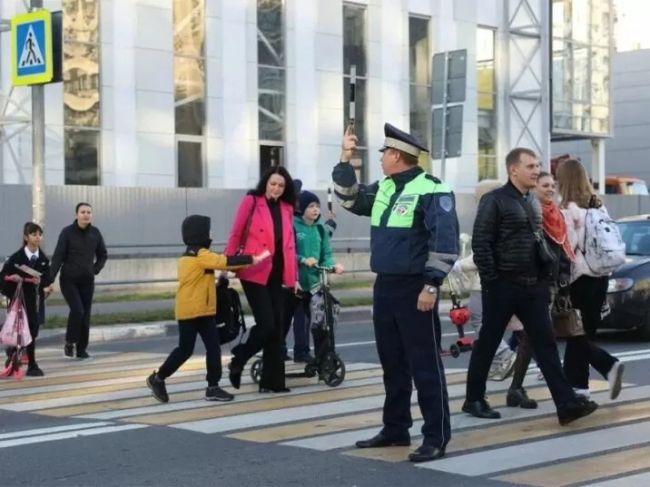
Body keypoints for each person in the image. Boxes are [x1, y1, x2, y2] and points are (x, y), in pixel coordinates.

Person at [333, 123, 458, 463]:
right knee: (392, 363)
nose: (381, 159)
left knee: (425, 364)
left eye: (384, 153)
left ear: (397, 155)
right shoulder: (384, 188)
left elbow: (444, 243)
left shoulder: (432, 189)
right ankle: (395, 427)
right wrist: (345, 158)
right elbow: (349, 199)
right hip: (385, 285)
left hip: (416, 286)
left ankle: (436, 436)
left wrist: (431, 284)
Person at [463, 147, 598, 426]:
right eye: (531, 166)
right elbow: (481, 243)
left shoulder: (532, 201)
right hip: (502, 286)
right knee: (488, 343)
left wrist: (544, 279)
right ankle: (474, 398)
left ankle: (566, 404)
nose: (536, 170)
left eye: (537, 166)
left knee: (546, 345)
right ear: (514, 169)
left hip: (532, 287)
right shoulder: (494, 200)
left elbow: (540, 241)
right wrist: (493, 281)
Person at [146, 215, 267, 403]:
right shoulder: (198, 254)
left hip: (203, 310)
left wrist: (220, 282)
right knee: (185, 350)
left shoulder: (195, 255)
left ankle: (213, 387)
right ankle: (158, 378)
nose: (211, 234)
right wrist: (254, 258)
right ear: (199, 233)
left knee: (212, 347)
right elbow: (222, 261)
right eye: (208, 230)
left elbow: (203, 277)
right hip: (191, 311)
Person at [555, 159, 624, 400]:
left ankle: (607, 364)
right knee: (585, 332)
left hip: (578, 280)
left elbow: (566, 249)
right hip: (600, 278)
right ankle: (579, 388)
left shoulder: (566, 212)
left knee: (575, 333)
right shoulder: (598, 208)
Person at [225, 166, 298, 393]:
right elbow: (236, 232)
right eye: (273, 183)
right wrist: (227, 264)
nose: (276, 188)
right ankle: (240, 357)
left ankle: (273, 382)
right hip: (254, 271)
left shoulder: (287, 208)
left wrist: (293, 277)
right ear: (265, 183)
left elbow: (289, 245)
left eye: (281, 185)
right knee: (266, 324)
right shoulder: (252, 201)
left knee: (276, 328)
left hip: (277, 274)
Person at [449, 179, 518, 382]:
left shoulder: (491, 218)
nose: (476, 202)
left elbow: (482, 252)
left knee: (481, 321)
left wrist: (459, 266)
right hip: (509, 281)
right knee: (521, 329)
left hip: (485, 283)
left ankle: (503, 355)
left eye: (478, 198)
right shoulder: (512, 215)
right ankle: (500, 365)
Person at [50, 202, 107, 359]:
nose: (86, 214)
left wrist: (95, 269)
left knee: (85, 314)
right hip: (69, 280)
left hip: (87, 281)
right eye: (83, 212)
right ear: (76, 215)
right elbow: (58, 257)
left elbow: (103, 254)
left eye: (89, 212)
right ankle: (70, 341)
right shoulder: (67, 232)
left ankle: (81, 350)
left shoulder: (95, 233)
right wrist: (50, 279)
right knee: (78, 310)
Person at [293, 190, 344, 363]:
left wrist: (333, 265)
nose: (315, 210)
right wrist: (302, 259)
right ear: (301, 208)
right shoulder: (293, 226)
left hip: (315, 283)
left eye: (317, 206)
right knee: (295, 322)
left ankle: (324, 358)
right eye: (311, 206)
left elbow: (326, 254)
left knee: (321, 321)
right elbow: (286, 253)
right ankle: (295, 353)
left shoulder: (320, 228)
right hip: (295, 284)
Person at [1, 222, 54, 376]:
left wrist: (42, 282)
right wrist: (12, 278)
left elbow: (48, 278)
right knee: (23, 329)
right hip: (19, 299)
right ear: (26, 237)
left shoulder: (43, 259)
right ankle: (32, 364)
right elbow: (2, 278)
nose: (38, 238)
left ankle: (13, 351)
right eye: (34, 234)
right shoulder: (15, 258)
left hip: (36, 300)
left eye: (40, 234)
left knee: (34, 330)